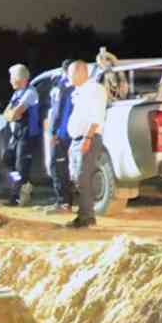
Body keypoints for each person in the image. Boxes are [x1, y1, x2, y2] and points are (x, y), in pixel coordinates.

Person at [63, 60, 109, 229]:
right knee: (77, 178)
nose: (68, 77)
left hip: (87, 138)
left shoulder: (94, 89)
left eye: (70, 73)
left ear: (80, 72)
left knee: (83, 178)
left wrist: (87, 139)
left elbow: (97, 117)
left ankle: (86, 217)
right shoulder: (80, 91)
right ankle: (84, 215)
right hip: (78, 140)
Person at [2, 64, 42, 206]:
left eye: (12, 77)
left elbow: (14, 114)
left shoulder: (30, 93)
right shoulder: (17, 93)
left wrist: (13, 114)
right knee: (7, 160)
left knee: (21, 166)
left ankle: (17, 197)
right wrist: (12, 114)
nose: (10, 80)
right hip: (18, 133)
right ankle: (25, 185)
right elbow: (6, 115)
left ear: (21, 78)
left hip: (28, 134)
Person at [46, 60, 77, 212]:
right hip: (73, 132)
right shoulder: (78, 86)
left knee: (57, 167)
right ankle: (66, 202)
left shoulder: (62, 86)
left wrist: (52, 132)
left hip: (62, 134)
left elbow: (57, 111)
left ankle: (63, 203)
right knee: (65, 168)